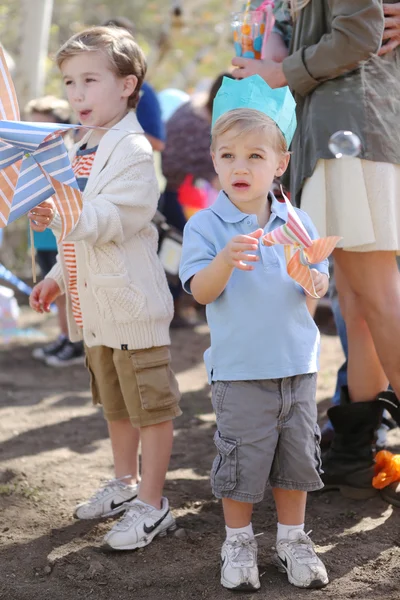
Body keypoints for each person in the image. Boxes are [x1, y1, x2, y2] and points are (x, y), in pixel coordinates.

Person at [233, 0, 400, 506]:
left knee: (378, 296)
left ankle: (355, 449)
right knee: (357, 306)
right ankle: (354, 454)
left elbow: (358, 34)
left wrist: (277, 70)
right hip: (329, 135)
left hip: (352, 132)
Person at [28, 26, 181, 550]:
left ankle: (154, 502)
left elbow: (116, 218)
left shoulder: (134, 149)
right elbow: (78, 243)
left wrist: (63, 212)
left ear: (126, 84)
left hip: (132, 308)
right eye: (70, 82)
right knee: (115, 404)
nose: (76, 95)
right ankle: (124, 481)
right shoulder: (81, 146)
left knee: (150, 409)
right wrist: (55, 280)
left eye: (90, 80)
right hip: (97, 310)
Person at [180, 75, 330, 591]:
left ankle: (292, 537)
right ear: (214, 160)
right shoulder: (206, 226)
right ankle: (238, 540)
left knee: (296, 460)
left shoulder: (298, 221)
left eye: (254, 156)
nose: (239, 167)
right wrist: (224, 260)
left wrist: (309, 274)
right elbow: (200, 291)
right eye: (227, 156)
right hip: (241, 370)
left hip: (298, 366)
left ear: (280, 164)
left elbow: (316, 285)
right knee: (241, 461)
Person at [161, 73, 231, 326]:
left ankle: (178, 308)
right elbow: (214, 176)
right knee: (181, 252)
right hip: (184, 197)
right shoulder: (203, 127)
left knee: (175, 251)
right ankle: (176, 309)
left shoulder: (188, 110)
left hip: (173, 193)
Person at [24, 95, 85, 367]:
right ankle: (64, 335)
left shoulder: (66, 160)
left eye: (43, 128)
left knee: (68, 292)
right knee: (57, 294)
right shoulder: (31, 159)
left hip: (62, 234)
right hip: (42, 237)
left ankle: (75, 340)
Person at [101, 17, 166, 152]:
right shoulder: (92, 88)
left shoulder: (143, 92)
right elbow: (80, 135)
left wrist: (115, 131)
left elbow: (158, 143)